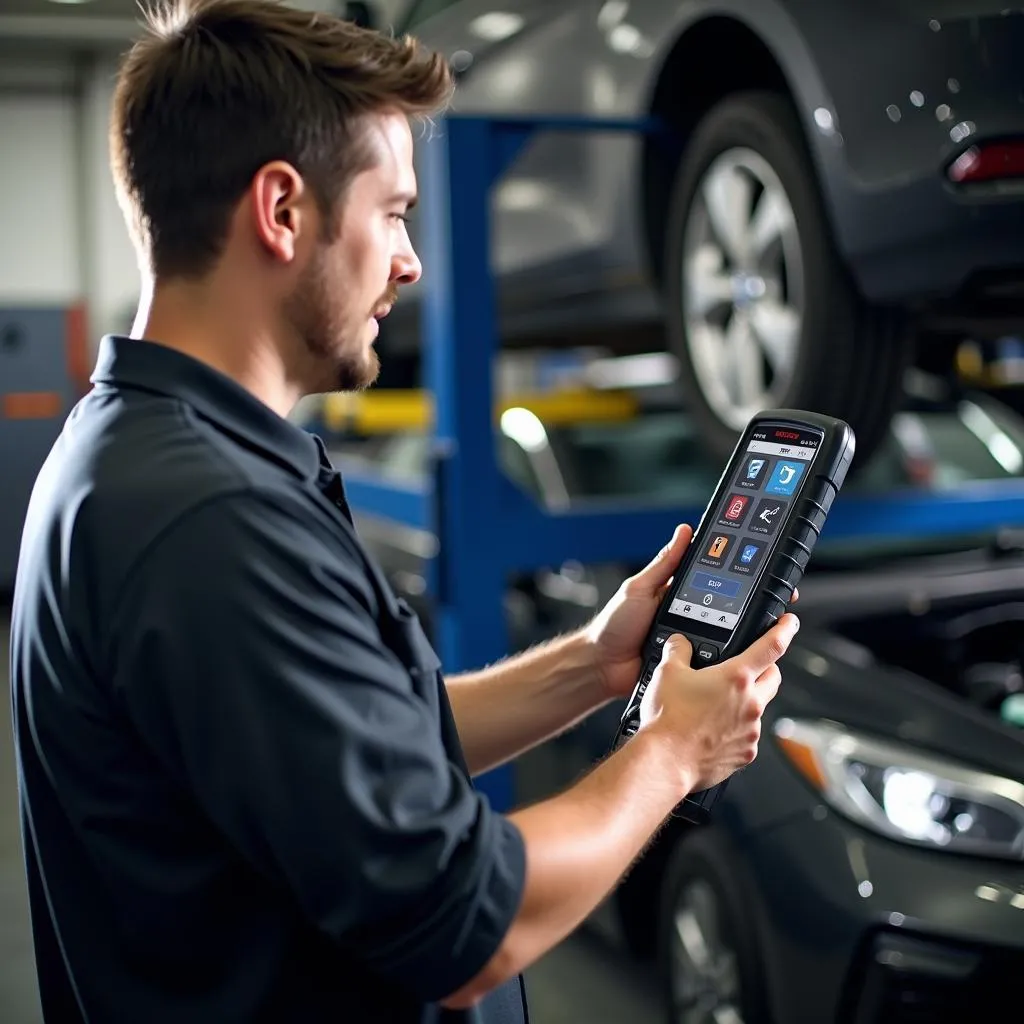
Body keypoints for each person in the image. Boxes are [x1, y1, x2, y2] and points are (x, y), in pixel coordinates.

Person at [8, 1, 799, 1022]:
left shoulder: (148, 454)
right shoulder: (202, 518)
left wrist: (594, 667)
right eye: (393, 211)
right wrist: (669, 755)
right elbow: (464, 924)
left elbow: (366, 751)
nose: (411, 258)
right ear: (282, 211)